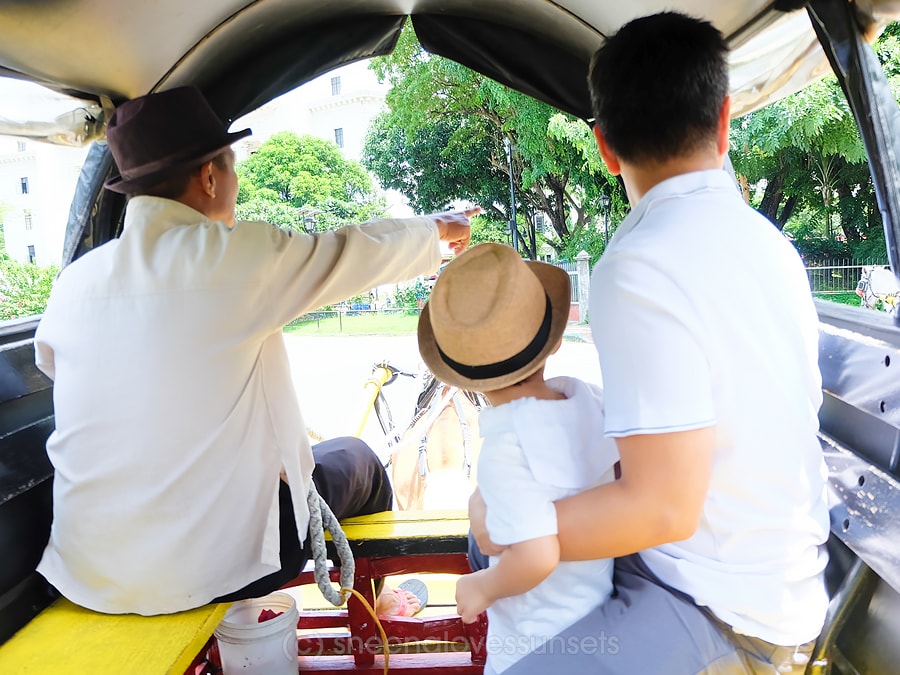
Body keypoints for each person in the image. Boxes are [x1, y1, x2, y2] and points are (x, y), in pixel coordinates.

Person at [468, 12, 830, 674]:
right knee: (483, 534)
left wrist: (512, 527)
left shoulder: (637, 266)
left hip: (722, 611)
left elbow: (662, 506)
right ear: (723, 122)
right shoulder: (771, 244)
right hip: (764, 575)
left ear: (605, 148)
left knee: (489, 533)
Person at [33, 85, 477, 616]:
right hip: (214, 565)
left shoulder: (73, 284)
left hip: (87, 569)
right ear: (210, 176)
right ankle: (375, 610)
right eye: (233, 168)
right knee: (360, 462)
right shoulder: (234, 256)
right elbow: (350, 252)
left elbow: (59, 369)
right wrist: (438, 231)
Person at [418, 243, 619, 674]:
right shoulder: (591, 403)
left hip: (531, 642)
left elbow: (538, 555)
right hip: (599, 618)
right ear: (556, 342)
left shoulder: (506, 449)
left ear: (460, 375)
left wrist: (483, 587)